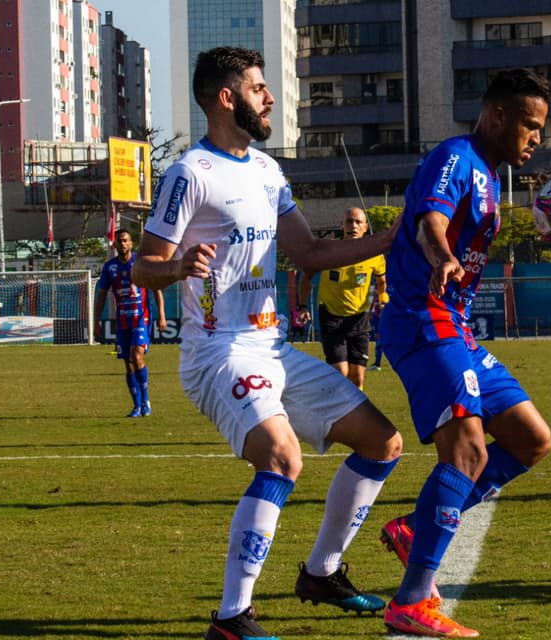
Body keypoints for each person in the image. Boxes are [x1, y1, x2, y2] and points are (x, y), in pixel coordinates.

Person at [130, 46, 403, 640]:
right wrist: (177, 269)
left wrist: (391, 238)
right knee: (282, 459)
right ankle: (232, 618)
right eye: (258, 88)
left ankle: (321, 574)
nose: (270, 97)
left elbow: (309, 254)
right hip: (217, 353)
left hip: (272, 348)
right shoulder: (189, 174)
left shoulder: (267, 170)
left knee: (383, 443)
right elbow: (142, 267)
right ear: (227, 99)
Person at [378, 68, 551, 638]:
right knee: (469, 451)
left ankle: (416, 529)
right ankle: (410, 602)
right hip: (420, 320)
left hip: (455, 327)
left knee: (531, 439)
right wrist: (440, 256)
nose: (535, 137)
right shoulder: (455, 158)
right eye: (529, 125)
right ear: (497, 115)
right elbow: (430, 219)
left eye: (540, 128)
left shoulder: (494, 176)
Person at [297, 207, 388, 389]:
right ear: (342, 225)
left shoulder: (374, 255)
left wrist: (383, 298)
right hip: (331, 316)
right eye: (349, 221)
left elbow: (381, 280)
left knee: (357, 378)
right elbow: (306, 276)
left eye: (358, 222)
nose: (353, 226)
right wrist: (302, 306)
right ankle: (337, 411)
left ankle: (354, 413)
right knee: (341, 372)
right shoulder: (328, 250)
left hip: (359, 319)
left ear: (365, 227)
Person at [93, 229, 167, 418]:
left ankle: (146, 402)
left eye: (125, 240)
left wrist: (162, 315)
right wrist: (96, 322)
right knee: (128, 363)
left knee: (137, 356)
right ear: (115, 244)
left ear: (131, 243)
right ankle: (136, 406)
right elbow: (101, 295)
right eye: (119, 241)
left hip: (141, 319)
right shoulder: (110, 268)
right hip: (122, 321)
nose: (122, 244)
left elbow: (156, 288)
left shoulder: (140, 264)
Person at [367, 292, 384, 371]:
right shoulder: (378, 283)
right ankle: (377, 363)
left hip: (383, 315)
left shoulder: (389, 284)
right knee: (377, 337)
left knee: (379, 338)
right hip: (376, 315)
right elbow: (374, 299)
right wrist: (370, 311)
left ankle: (377, 364)